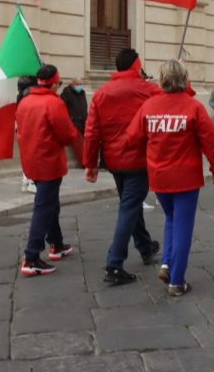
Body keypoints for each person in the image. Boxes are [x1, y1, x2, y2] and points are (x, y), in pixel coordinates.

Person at [127, 59, 214, 296]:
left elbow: (132, 139)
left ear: (161, 80)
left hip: (159, 176)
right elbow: (211, 142)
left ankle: (167, 263)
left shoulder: (149, 106)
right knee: (183, 226)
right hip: (186, 178)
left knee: (171, 219)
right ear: (185, 79)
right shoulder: (193, 107)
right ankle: (177, 281)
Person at [83, 49, 163, 286]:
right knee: (129, 207)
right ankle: (114, 263)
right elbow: (176, 98)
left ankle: (145, 246)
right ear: (136, 65)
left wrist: (90, 163)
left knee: (130, 203)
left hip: (114, 160)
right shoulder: (148, 90)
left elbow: (91, 132)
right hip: (139, 158)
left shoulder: (101, 93)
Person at [15, 64, 82, 276]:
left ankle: (57, 244)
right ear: (54, 83)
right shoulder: (54, 103)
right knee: (44, 207)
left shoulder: (25, 102)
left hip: (31, 161)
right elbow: (67, 135)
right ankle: (31, 256)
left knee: (50, 203)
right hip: (49, 162)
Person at [60, 78, 88, 167]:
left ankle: (88, 161)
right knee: (79, 143)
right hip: (74, 122)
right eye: (78, 84)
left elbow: (84, 107)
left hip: (83, 121)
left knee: (87, 142)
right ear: (73, 84)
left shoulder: (82, 93)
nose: (80, 86)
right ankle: (84, 163)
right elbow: (62, 107)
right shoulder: (66, 93)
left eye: (81, 84)